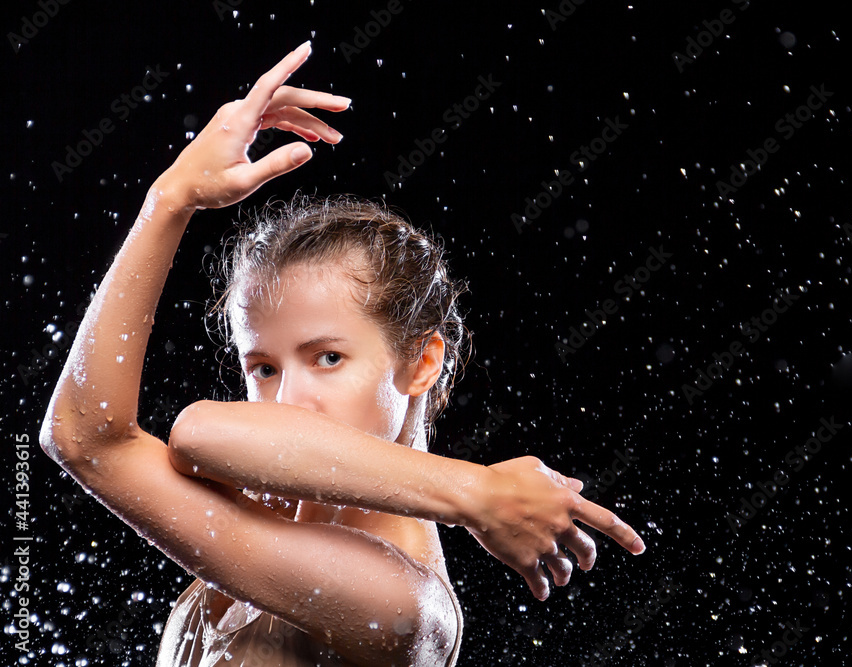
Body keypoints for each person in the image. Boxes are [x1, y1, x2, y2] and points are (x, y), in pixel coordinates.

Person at [39, 41, 645, 666]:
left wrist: (476, 494)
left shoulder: (403, 599)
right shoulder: (258, 522)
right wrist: (168, 201)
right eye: (264, 368)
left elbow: (198, 434)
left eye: (328, 358)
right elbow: (84, 438)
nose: (290, 398)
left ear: (421, 362)